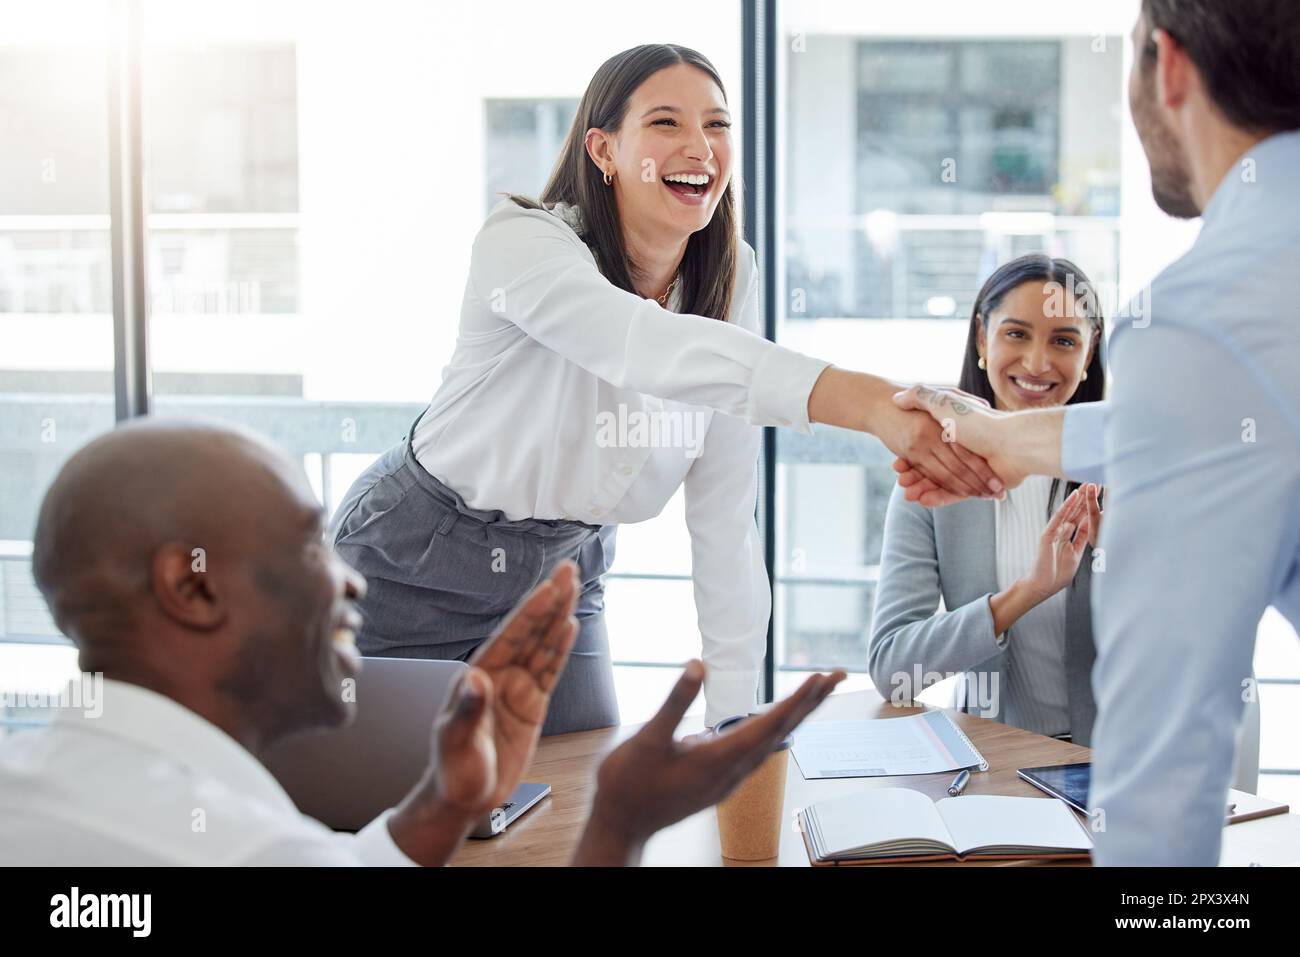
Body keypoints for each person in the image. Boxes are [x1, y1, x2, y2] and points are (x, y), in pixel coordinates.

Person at [331, 43, 1000, 736]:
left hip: (565, 571)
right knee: (385, 815)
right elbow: (642, 347)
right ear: (604, 149)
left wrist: (735, 715)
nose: (700, 147)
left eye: (716, 125)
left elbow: (725, 515)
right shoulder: (521, 243)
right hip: (417, 557)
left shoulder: (730, 274)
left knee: (576, 807)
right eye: (666, 123)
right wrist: (871, 405)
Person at [0, 418, 845, 866]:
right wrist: (619, 822)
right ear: (191, 585)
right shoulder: (235, 846)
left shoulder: (38, 793)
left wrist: (442, 803)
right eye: (306, 546)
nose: (351, 578)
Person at [892, 0, 1300, 865]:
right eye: (1013, 334)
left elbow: (1165, 769)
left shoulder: (1203, 317)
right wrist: (1011, 442)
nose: (1037, 359)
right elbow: (1230, 424)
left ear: (1171, 65)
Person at [869, 255, 1105, 744]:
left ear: (1090, 352)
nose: (1037, 363)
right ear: (982, 337)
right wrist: (1026, 593)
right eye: (1016, 334)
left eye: (1063, 340)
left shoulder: (1121, 469)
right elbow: (892, 669)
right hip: (993, 763)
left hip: (1115, 767)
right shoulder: (933, 473)